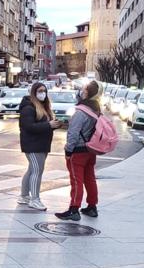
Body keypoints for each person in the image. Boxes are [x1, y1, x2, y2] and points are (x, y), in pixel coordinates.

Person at [56, 80, 102, 221]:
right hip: (91, 149)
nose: (82, 91)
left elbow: (73, 133)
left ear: (88, 92)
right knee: (90, 179)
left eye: (84, 89)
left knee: (76, 180)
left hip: (78, 151)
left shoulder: (81, 111)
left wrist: (68, 151)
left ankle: (74, 209)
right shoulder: (96, 110)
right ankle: (92, 207)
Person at [18, 82, 62, 211]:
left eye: (44, 91)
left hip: (41, 144)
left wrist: (53, 125)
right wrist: (49, 125)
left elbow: (41, 126)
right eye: (40, 91)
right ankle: (34, 199)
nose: (43, 93)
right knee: (37, 171)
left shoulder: (43, 107)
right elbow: (29, 126)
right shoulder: (29, 108)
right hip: (33, 145)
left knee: (32, 170)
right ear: (34, 92)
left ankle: (24, 195)